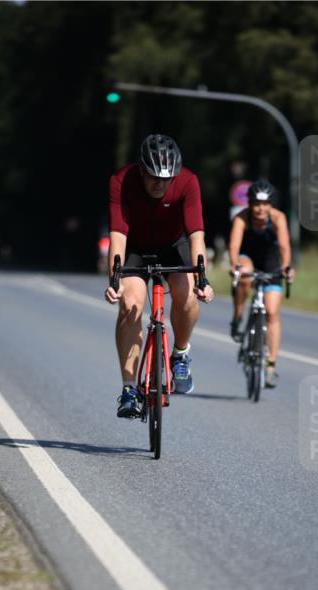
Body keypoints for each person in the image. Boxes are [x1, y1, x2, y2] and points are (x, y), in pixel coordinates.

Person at [105, 134, 214, 418]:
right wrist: (114, 280)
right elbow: (117, 236)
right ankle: (129, 389)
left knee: (188, 295)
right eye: (153, 177)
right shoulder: (121, 180)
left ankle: (180, 353)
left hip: (172, 245)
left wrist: (203, 279)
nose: (159, 184)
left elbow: (196, 235)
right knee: (130, 305)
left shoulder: (188, 181)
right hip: (135, 248)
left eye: (166, 179)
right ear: (141, 169)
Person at [228, 180, 294, 386]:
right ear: (249, 203)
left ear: (271, 205)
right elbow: (234, 245)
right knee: (244, 276)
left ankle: (271, 365)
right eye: (256, 203)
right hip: (247, 257)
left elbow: (284, 246)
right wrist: (234, 265)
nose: (260, 208)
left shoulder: (278, 218)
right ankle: (238, 317)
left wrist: (286, 268)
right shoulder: (241, 218)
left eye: (265, 204)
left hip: (271, 261)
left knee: (272, 312)